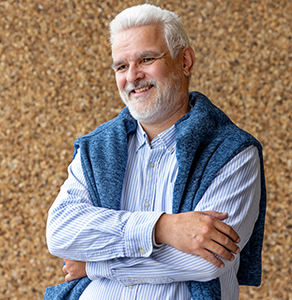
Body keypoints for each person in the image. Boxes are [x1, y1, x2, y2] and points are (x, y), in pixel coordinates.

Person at [44, 4, 266, 300]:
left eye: (146, 59)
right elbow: (61, 233)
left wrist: (96, 264)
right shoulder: (97, 147)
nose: (133, 76)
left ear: (185, 61)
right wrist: (162, 228)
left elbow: (205, 261)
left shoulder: (232, 151)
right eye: (121, 66)